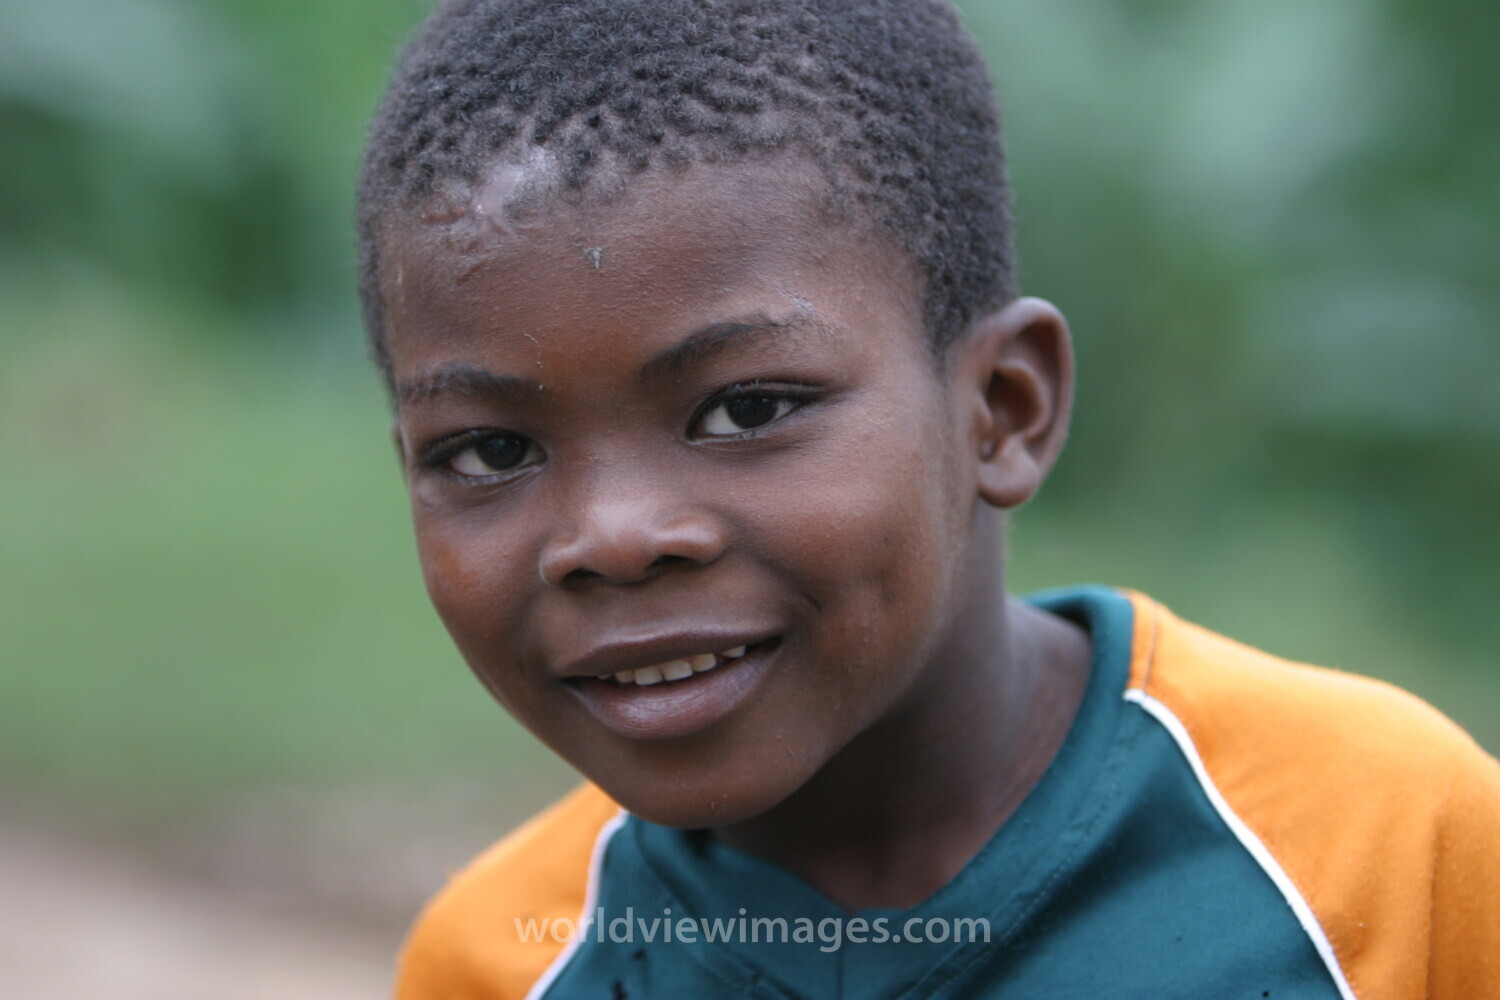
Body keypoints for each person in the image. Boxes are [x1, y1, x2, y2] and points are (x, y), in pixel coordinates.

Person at [356, 1, 1500, 996]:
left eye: (748, 410)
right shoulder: (499, 963)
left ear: (1001, 408)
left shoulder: (1393, 856)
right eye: (488, 449)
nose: (611, 537)